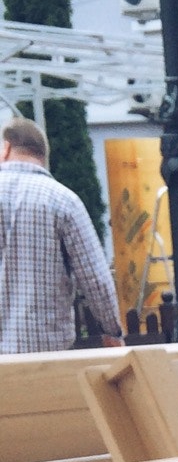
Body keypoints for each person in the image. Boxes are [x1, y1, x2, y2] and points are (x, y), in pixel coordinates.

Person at [0, 115, 122, 353]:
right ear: (43, 156)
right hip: (44, 353)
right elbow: (96, 279)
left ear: (6, 148)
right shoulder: (64, 201)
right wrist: (112, 331)